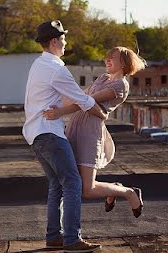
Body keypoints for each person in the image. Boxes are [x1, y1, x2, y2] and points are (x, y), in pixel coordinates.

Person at [23, 20, 109, 253]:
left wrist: (64, 110)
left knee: (56, 185)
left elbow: (67, 100)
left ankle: (54, 237)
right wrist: (102, 114)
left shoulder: (38, 65)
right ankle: (72, 239)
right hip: (50, 134)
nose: (65, 43)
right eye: (63, 39)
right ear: (54, 42)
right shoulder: (56, 69)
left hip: (36, 135)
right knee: (73, 182)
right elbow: (82, 100)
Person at [43, 46, 146, 217]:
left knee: (87, 189)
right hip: (75, 127)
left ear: (124, 63)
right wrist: (56, 100)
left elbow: (87, 101)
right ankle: (116, 189)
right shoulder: (103, 78)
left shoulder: (121, 85)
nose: (107, 60)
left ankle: (128, 192)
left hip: (90, 132)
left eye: (112, 57)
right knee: (73, 182)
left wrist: (60, 111)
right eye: (107, 56)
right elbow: (80, 95)